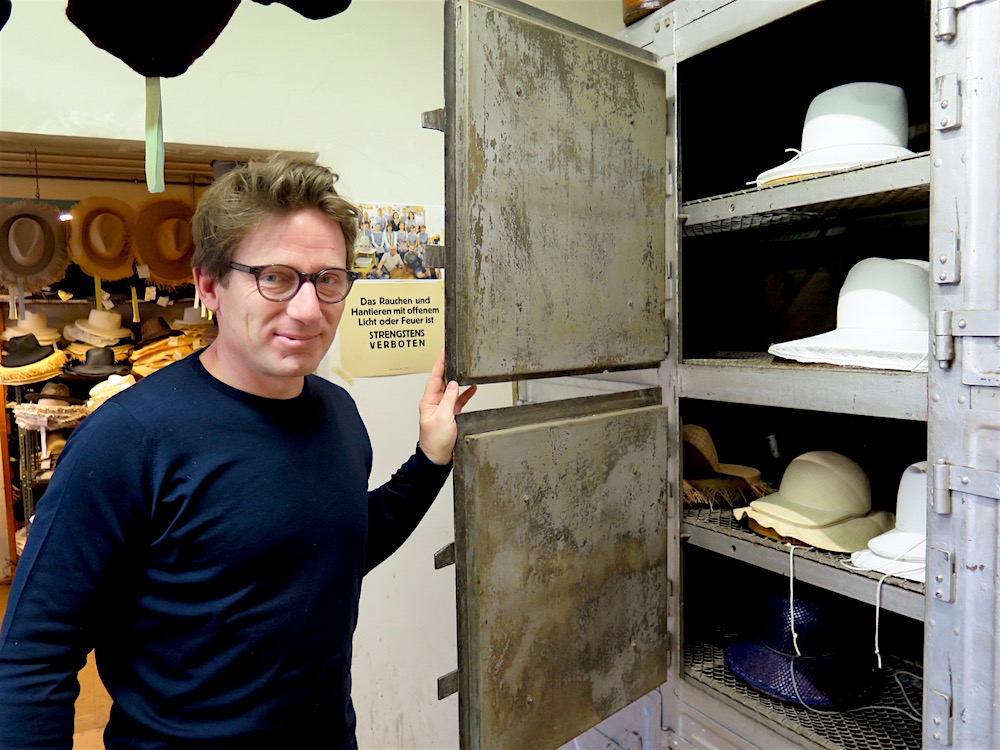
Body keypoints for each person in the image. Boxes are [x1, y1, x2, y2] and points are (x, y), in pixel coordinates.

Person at [0, 157, 476, 749]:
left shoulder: (338, 415)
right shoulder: (127, 439)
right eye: (274, 277)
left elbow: (336, 546)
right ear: (208, 286)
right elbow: (34, 658)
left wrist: (430, 460)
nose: (307, 309)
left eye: (328, 279)